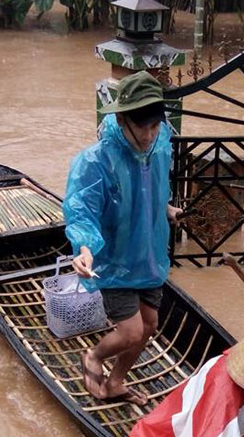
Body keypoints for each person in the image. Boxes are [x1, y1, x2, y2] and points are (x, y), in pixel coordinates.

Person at [63, 71, 181, 406]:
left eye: (155, 126)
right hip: (115, 259)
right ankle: (94, 357)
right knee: (129, 331)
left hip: (149, 256)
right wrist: (84, 248)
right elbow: (80, 209)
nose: (148, 135)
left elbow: (153, 192)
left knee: (149, 326)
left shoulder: (160, 149)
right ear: (120, 118)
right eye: (141, 126)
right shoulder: (95, 161)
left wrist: (167, 209)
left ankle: (115, 382)